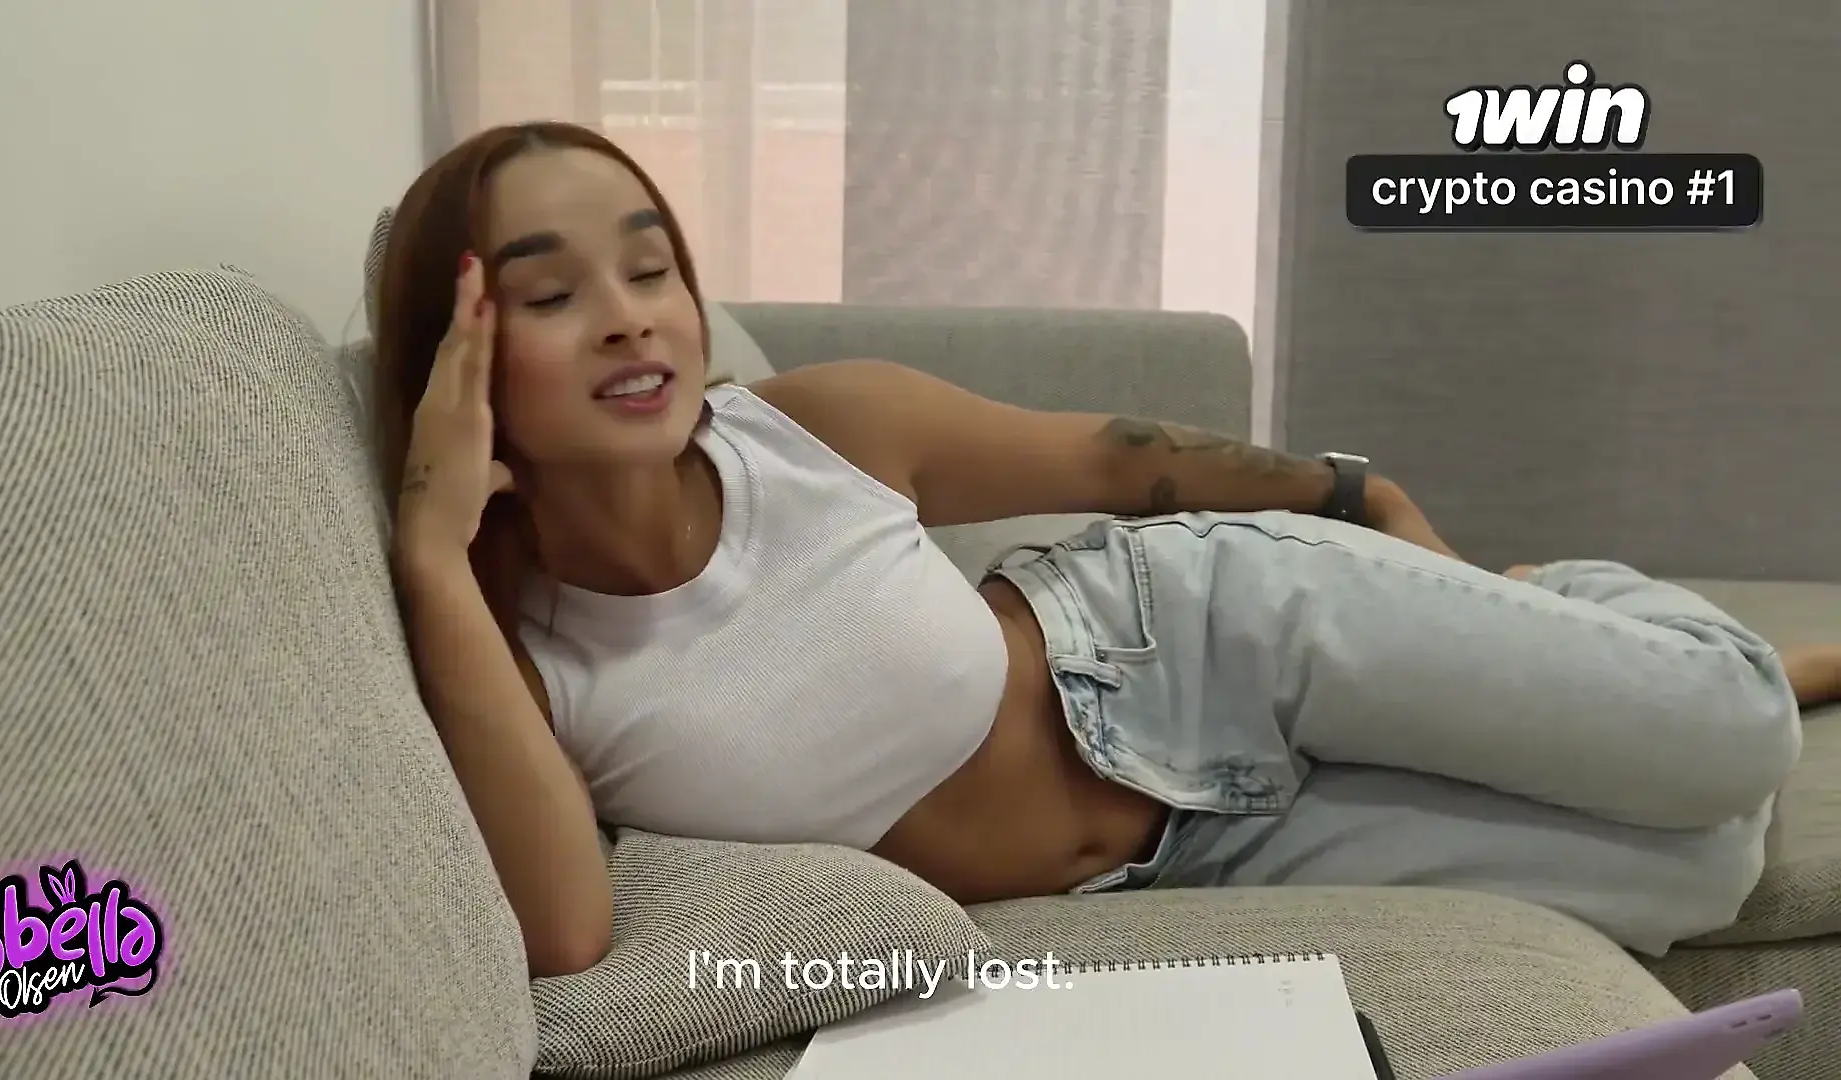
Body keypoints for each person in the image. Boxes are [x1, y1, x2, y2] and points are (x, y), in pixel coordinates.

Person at [371, 121, 1841, 976]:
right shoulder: (521, 663)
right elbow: (565, 936)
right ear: (456, 360)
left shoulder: (815, 430)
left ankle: (1597, 615)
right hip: (1196, 856)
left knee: (1731, 735)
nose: (633, 317)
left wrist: (1361, 499)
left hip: (1209, 634)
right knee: (1696, 874)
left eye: (652, 267)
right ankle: (1568, 631)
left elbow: (1119, 463)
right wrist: (436, 556)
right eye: (553, 295)